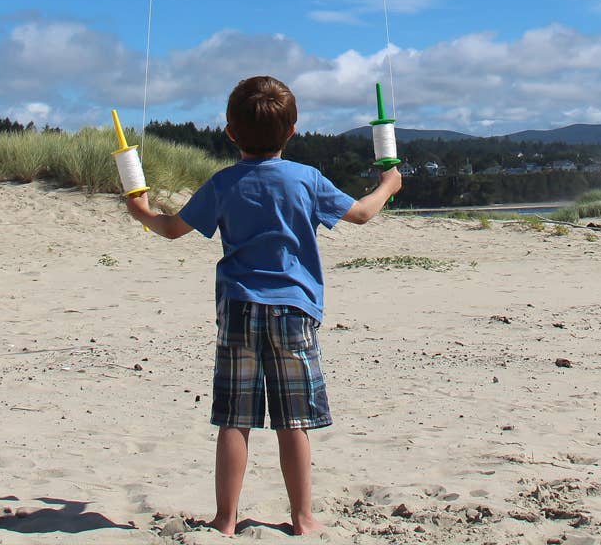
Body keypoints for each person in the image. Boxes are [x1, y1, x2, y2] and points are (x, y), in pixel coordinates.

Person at [125, 75, 401, 536]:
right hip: (294, 312)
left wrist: (142, 211)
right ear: (293, 131)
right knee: (294, 421)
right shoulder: (306, 179)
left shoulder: (223, 183)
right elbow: (361, 213)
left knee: (234, 419)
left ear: (230, 132)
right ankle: (302, 518)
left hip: (238, 309)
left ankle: (225, 519)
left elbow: (173, 229)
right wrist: (388, 184)